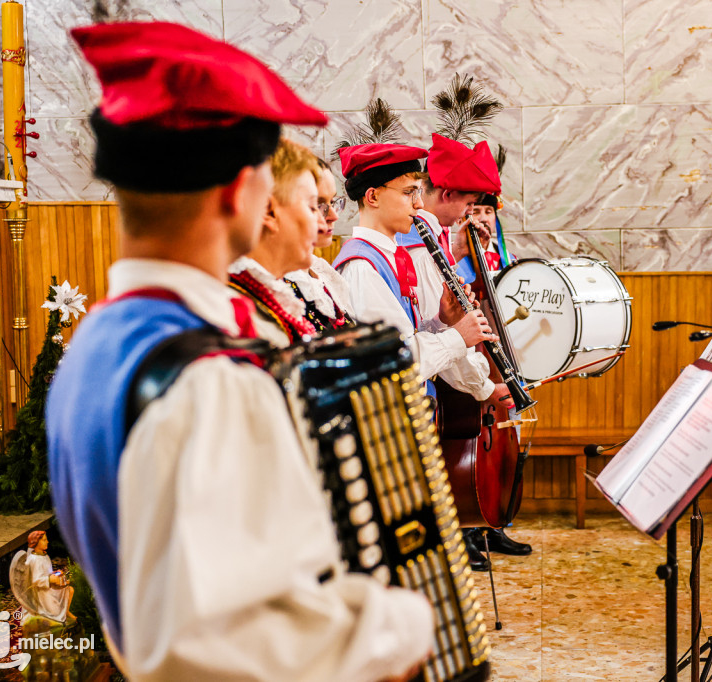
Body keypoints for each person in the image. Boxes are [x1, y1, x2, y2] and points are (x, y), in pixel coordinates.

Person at [45, 22, 432, 681]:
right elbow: (229, 646)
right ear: (235, 193)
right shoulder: (211, 380)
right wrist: (401, 626)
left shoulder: (94, 347)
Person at [402, 135, 532, 564]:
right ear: (448, 194)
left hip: (439, 383)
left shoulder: (433, 236)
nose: (467, 215)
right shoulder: (409, 242)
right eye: (467, 203)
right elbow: (426, 330)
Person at [332, 143, 493, 399]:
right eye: (409, 193)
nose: (419, 204)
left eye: (419, 193)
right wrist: (458, 337)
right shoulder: (362, 267)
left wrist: (443, 320)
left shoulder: (390, 254)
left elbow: (406, 335)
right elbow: (393, 363)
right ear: (372, 197)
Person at [228, 138, 324, 344]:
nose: (322, 225)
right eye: (313, 207)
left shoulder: (265, 298)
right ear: (269, 211)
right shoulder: (240, 317)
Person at [285, 157, 356, 333]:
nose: (334, 216)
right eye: (317, 205)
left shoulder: (322, 272)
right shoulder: (281, 288)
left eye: (333, 202)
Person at [20, 530, 75, 624]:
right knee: (66, 593)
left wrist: (54, 573)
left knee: (70, 590)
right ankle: (57, 613)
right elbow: (35, 581)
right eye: (44, 540)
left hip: (47, 586)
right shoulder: (34, 560)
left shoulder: (44, 556)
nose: (47, 542)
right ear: (36, 542)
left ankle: (65, 611)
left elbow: (46, 572)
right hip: (41, 592)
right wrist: (50, 579)